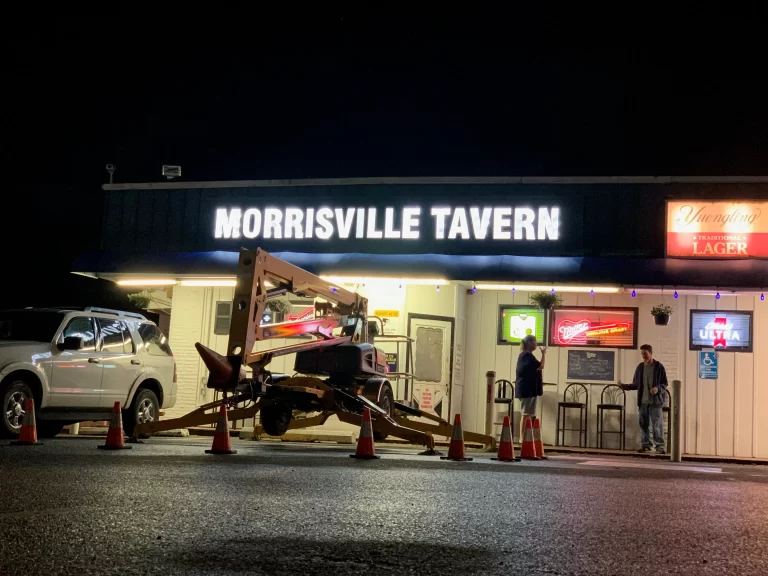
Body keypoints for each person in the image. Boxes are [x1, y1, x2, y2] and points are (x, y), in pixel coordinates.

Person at [619, 344, 668, 454]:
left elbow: (664, 384)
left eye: (645, 354)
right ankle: (646, 445)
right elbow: (636, 384)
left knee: (657, 425)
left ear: (651, 353)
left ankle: (660, 446)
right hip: (643, 402)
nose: (643, 356)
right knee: (643, 424)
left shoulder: (659, 367)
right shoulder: (640, 367)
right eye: (642, 354)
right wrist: (624, 386)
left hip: (655, 402)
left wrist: (657, 388)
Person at [515, 334, 546, 442]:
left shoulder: (524, 356)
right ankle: (522, 438)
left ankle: (526, 437)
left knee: (528, 414)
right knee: (526, 413)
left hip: (526, 388)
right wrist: (543, 354)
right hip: (527, 389)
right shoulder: (527, 356)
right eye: (535, 342)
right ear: (529, 343)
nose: (536, 344)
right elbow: (541, 366)